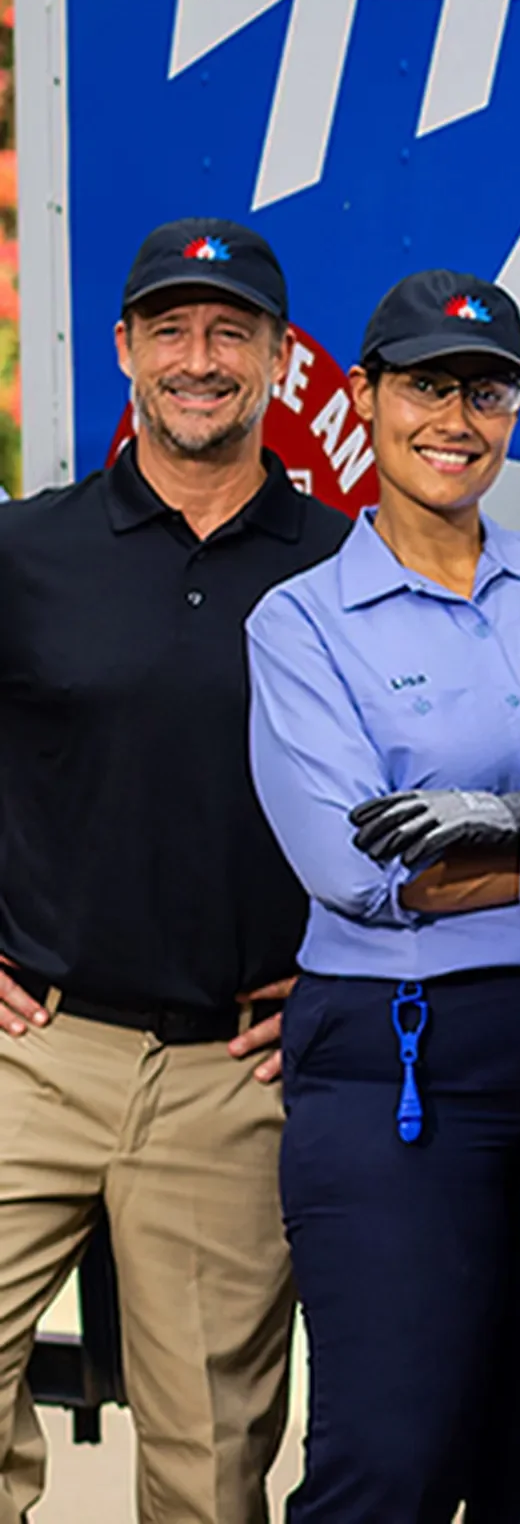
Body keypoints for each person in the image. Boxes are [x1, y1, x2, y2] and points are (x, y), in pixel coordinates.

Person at [245, 268, 520, 1522]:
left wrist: (500, 821)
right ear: (364, 395)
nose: (456, 419)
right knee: (394, 1453)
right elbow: (368, 872)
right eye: (427, 385)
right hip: (402, 1059)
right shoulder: (302, 621)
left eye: (487, 391)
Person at [0, 217, 351, 1524]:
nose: (198, 358)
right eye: (171, 329)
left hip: (232, 1077)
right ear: (124, 350)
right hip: (34, 1051)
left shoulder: (347, 568)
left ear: (278, 358)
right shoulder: (26, 551)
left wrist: (339, 981)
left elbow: (401, 809)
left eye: (229, 332)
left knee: (207, 1468)